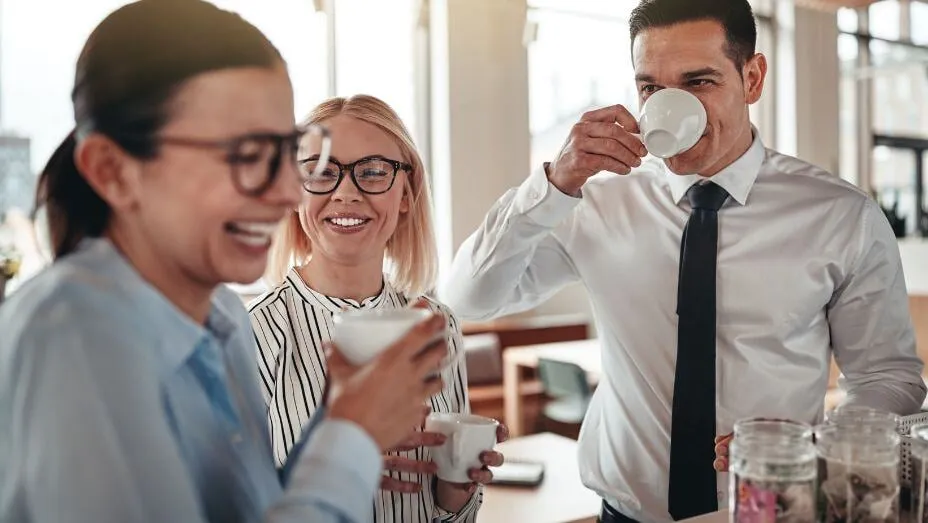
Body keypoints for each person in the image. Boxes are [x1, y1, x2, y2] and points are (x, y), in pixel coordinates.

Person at [439, 0, 926, 521]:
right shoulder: (596, 201)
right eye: (652, 88)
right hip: (622, 514)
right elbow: (469, 297)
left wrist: (815, 445)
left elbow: (887, 377)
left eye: (699, 82)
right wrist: (552, 183)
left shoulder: (840, 214)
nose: (672, 104)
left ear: (753, 79)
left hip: (772, 509)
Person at [0, 2, 449, 522]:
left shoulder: (225, 317)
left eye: (286, 151)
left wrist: (333, 425)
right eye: (244, 155)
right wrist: (351, 438)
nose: (287, 193)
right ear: (113, 171)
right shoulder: (70, 340)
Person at [249, 94, 506, 523]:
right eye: (320, 172)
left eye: (372, 172)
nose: (346, 193)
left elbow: (453, 517)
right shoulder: (253, 332)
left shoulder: (439, 326)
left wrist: (455, 490)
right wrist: (332, 473)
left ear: (406, 194)